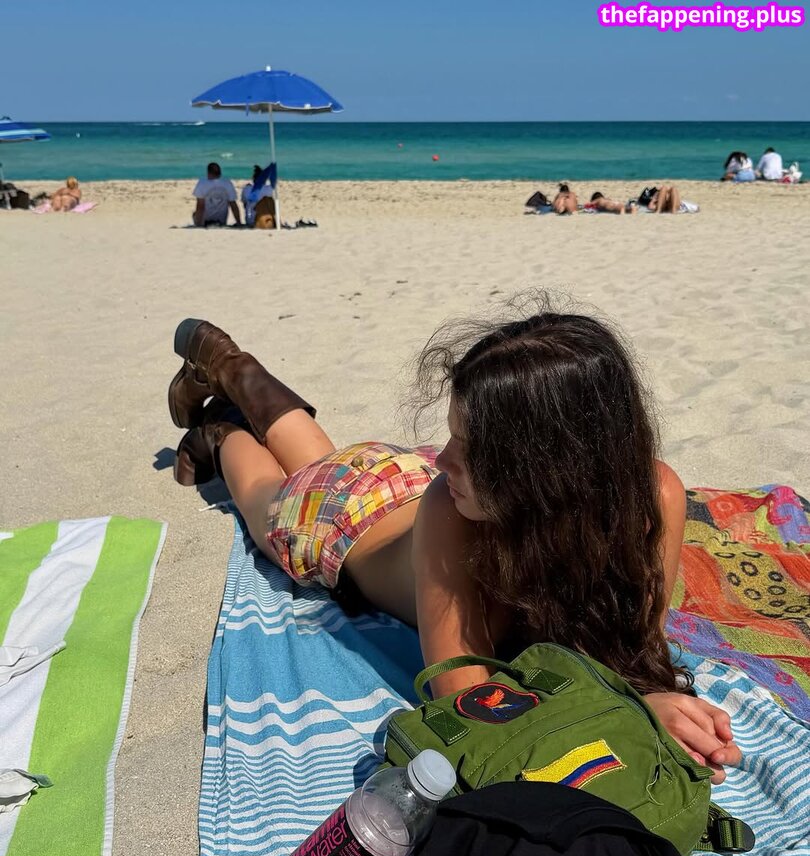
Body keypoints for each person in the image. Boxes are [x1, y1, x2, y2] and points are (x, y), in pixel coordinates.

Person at [166, 305, 742, 784]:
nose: (443, 455)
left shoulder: (655, 495)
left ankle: (236, 371)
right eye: (452, 435)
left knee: (325, 462)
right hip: (344, 523)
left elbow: (637, 646)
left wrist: (657, 706)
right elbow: (464, 698)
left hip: (400, 479)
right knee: (266, 500)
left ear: (547, 468)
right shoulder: (454, 498)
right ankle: (222, 429)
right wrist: (629, 714)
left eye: (467, 442)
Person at [193, 162, 241, 228]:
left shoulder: (202, 183)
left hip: (206, 222)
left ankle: (200, 223)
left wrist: (199, 225)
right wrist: (238, 222)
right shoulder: (227, 183)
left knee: (194, 214)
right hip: (221, 221)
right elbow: (233, 205)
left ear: (208, 173)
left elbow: (200, 206)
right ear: (220, 173)